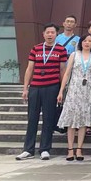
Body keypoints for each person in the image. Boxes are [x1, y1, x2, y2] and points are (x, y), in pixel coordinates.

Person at [16, 23, 68, 161]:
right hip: (35, 87)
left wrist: (62, 90)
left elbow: (63, 70)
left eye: (52, 32)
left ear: (56, 34)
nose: (50, 35)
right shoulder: (36, 48)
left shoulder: (61, 50)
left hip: (52, 87)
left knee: (48, 119)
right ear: (43, 34)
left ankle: (45, 149)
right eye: (47, 32)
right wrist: (25, 88)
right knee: (32, 118)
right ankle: (28, 150)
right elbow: (29, 69)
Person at [56, 33, 91, 162]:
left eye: (89, 41)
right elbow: (67, 73)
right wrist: (61, 91)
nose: (87, 43)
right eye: (85, 40)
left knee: (83, 121)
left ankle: (79, 148)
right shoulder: (74, 55)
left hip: (87, 91)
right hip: (74, 90)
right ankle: (70, 149)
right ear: (81, 42)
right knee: (71, 119)